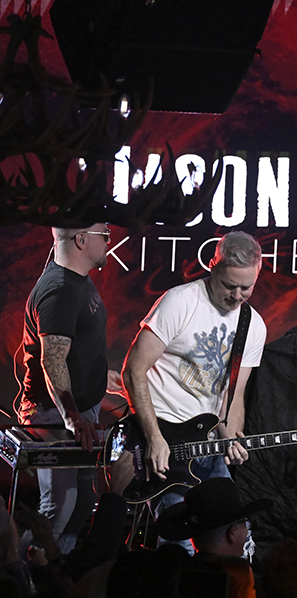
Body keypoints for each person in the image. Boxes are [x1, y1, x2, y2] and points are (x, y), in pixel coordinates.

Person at [121, 231, 267, 523]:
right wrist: (154, 438)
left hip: (207, 446)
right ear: (213, 266)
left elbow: (233, 396)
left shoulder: (253, 326)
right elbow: (133, 371)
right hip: (163, 443)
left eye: (246, 288)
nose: (237, 296)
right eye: (229, 285)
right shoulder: (180, 302)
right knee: (179, 542)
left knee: (232, 535)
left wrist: (232, 439)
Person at [15, 223, 114, 553]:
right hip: (56, 415)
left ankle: (59, 573)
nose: (110, 240)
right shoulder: (59, 291)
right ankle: (22, 576)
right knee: (61, 505)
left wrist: (104, 377)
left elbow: (74, 347)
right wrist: (72, 418)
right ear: (82, 240)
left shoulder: (75, 280)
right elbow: (52, 362)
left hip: (81, 410)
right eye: (105, 234)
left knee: (83, 500)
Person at [154, 477, 272, 557]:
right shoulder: (237, 578)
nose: (247, 531)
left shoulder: (182, 578)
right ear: (232, 532)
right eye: (246, 523)